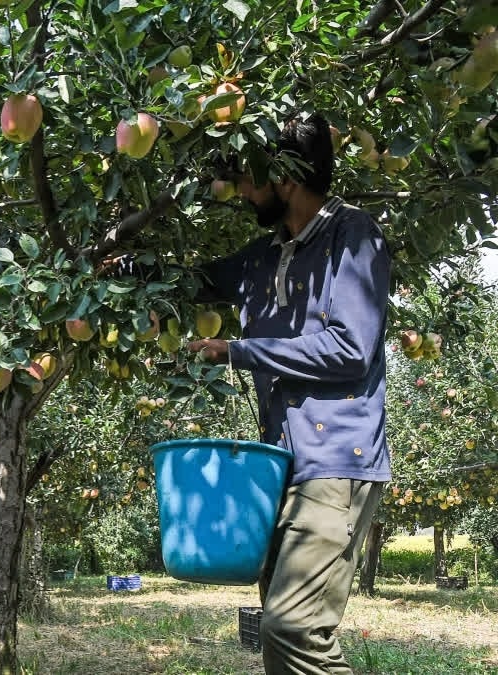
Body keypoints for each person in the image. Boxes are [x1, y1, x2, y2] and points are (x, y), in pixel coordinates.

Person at [185, 113, 391, 674]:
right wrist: (127, 265)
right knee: (276, 634)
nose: (242, 193)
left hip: (336, 459)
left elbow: (351, 348)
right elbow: (197, 280)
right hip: (281, 467)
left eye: (248, 179)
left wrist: (240, 350)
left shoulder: (353, 237)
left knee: (294, 626)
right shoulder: (265, 254)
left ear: (287, 177)